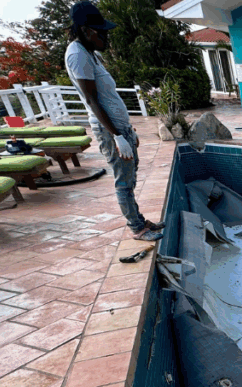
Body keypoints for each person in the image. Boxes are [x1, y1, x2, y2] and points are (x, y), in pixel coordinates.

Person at [65, 1, 162, 241]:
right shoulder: (77, 55)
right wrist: (117, 136)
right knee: (124, 182)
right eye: (102, 33)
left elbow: (108, 95)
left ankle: (139, 220)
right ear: (86, 30)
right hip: (110, 130)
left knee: (131, 176)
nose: (106, 38)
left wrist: (127, 130)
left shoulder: (89, 53)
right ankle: (137, 228)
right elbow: (91, 99)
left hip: (119, 127)